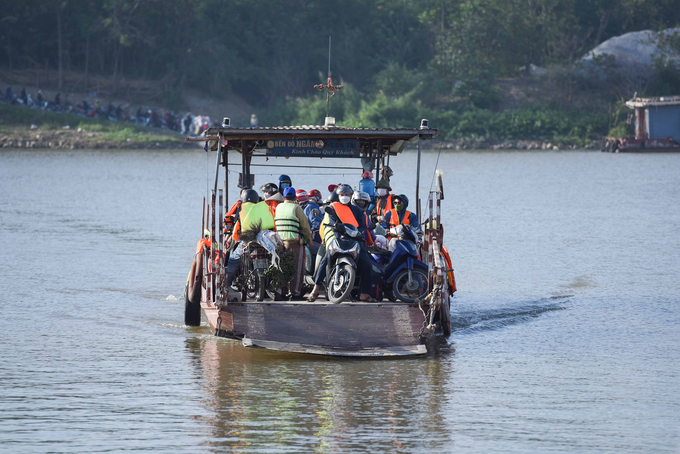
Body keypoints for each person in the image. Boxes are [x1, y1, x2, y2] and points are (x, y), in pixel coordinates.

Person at [308, 184, 375, 302]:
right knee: (325, 259)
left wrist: (359, 233)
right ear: (338, 196)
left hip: (354, 240)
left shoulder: (356, 210)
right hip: (338, 239)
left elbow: (362, 226)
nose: (344, 196)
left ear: (351, 196)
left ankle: (364, 293)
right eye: (342, 195)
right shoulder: (333, 208)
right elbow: (333, 225)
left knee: (367, 264)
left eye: (347, 194)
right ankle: (316, 289)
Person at [225, 189, 276, 286]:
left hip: (248, 239)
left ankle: (226, 286)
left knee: (233, 260)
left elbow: (238, 224)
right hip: (265, 238)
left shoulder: (242, 209)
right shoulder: (264, 206)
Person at [275, 187, 312, 299]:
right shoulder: (296, 208)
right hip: (294, 242)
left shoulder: (278, 207)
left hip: (280, 243)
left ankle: (280, 292)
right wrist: (310, 241)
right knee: (297, 268)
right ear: (295, 197)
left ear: (284, 197)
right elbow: (305, 227)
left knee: (281, 267)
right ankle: (295, 293)